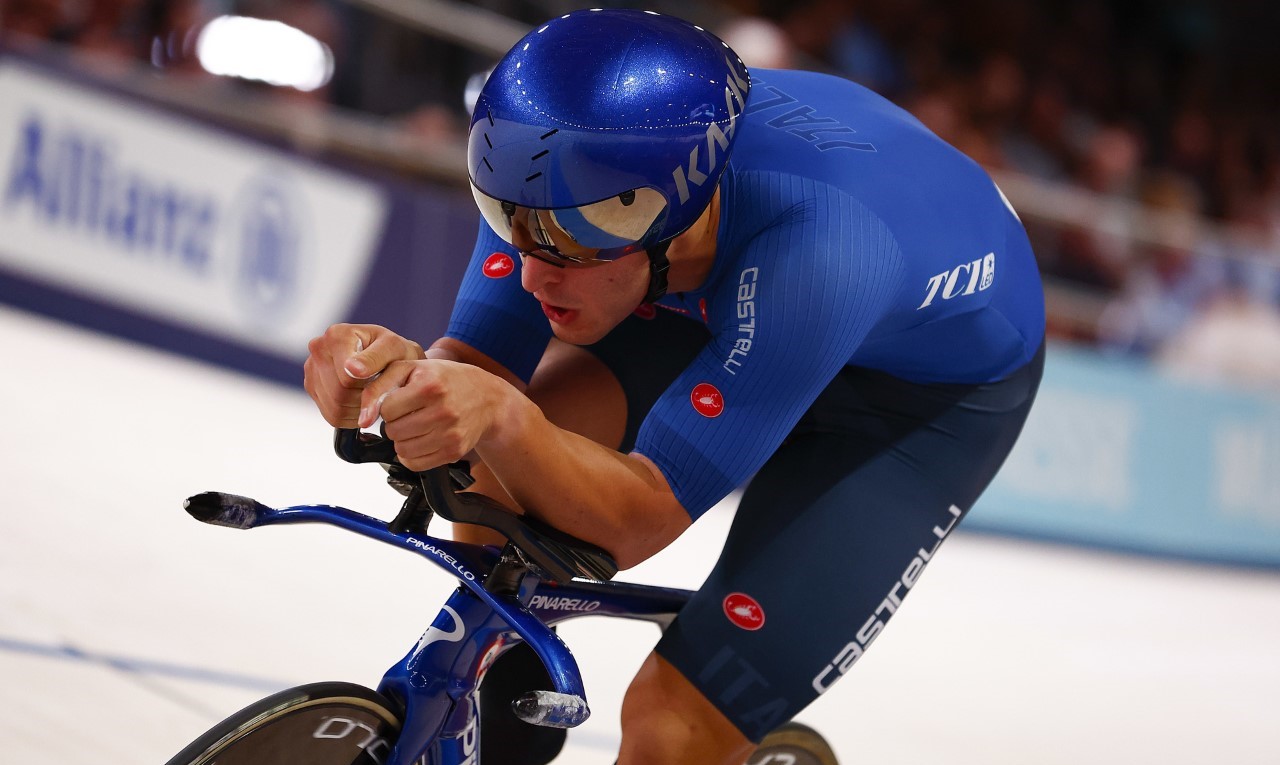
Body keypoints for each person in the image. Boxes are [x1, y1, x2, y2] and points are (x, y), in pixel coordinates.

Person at [303, 9, 1045, 765]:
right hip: (721, 293)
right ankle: (506, 707)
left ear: (670, 215)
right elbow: (477, 374)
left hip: (910, 399)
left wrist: (498, 412)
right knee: (499, 465)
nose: (530, 269)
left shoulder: (819, 254)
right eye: (506, 219)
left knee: (672, 725)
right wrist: (396, 375)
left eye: (563, 240)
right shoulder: (564, 175)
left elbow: (642, 513)